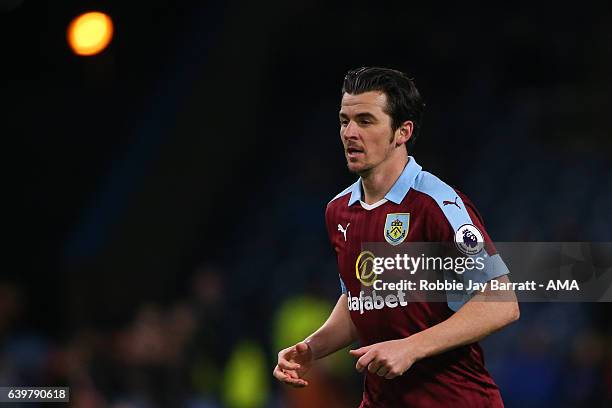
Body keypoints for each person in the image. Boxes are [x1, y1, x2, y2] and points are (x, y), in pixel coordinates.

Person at [272, 67, 520, 407]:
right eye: (345, 120)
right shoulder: (339, 210)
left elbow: (502, 303)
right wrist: (313, 348)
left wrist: (410, 347)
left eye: (366, 120)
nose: (350, 133)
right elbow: (360, 300)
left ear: (402, 131)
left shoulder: (435, 204)